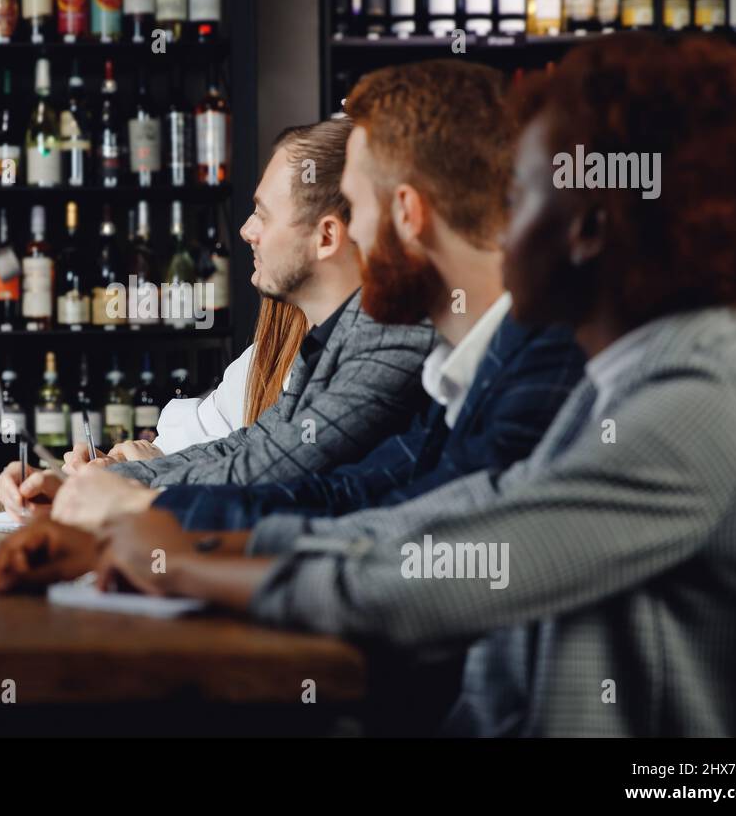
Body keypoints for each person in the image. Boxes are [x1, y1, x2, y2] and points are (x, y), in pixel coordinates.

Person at [0, 34, 736, 737]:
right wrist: (154, 544)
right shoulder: (625, 378)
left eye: (518, 192)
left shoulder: (689, 400)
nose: (491, 216)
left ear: (592, 227)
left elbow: (444, 574)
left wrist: (178, 562)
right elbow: (432, 519)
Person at [95, 60, 587, 532]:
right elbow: (353, 496)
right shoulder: (464, 365)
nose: (354, 236)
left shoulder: (539, 365)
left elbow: (410, 545)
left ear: (407, 214)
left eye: (357, 208)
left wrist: (149, 509)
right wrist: (133, 496)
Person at [0, 117, 436, 511]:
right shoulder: (329, 337)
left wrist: (123, 494)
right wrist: (93, 480)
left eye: (263, 214)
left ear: (326, 238)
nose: (245, 230)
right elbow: (252, 445)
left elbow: (272, 468)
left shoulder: (388, 332)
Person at [111, 297, 308, 464]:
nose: (251, 248)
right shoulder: (262, 358)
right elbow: (199, 435)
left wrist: (155, 472)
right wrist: (118, 465)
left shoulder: (326, 370)